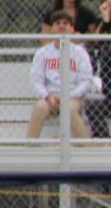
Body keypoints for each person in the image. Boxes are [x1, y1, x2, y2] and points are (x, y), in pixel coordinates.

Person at [25, 12, 93, 141]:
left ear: (72, 29)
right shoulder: (42, 53)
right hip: (50, 97)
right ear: (51, 29)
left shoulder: (80, 52)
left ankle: (85, 145)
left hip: (72, 96)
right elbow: (36, 80)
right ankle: (30, 146)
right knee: (40, 107)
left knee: (69, 110)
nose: (61, 26)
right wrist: (47, 96)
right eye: (57, 24)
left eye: (66, 23)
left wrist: (69, 96)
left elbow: (86, 81)